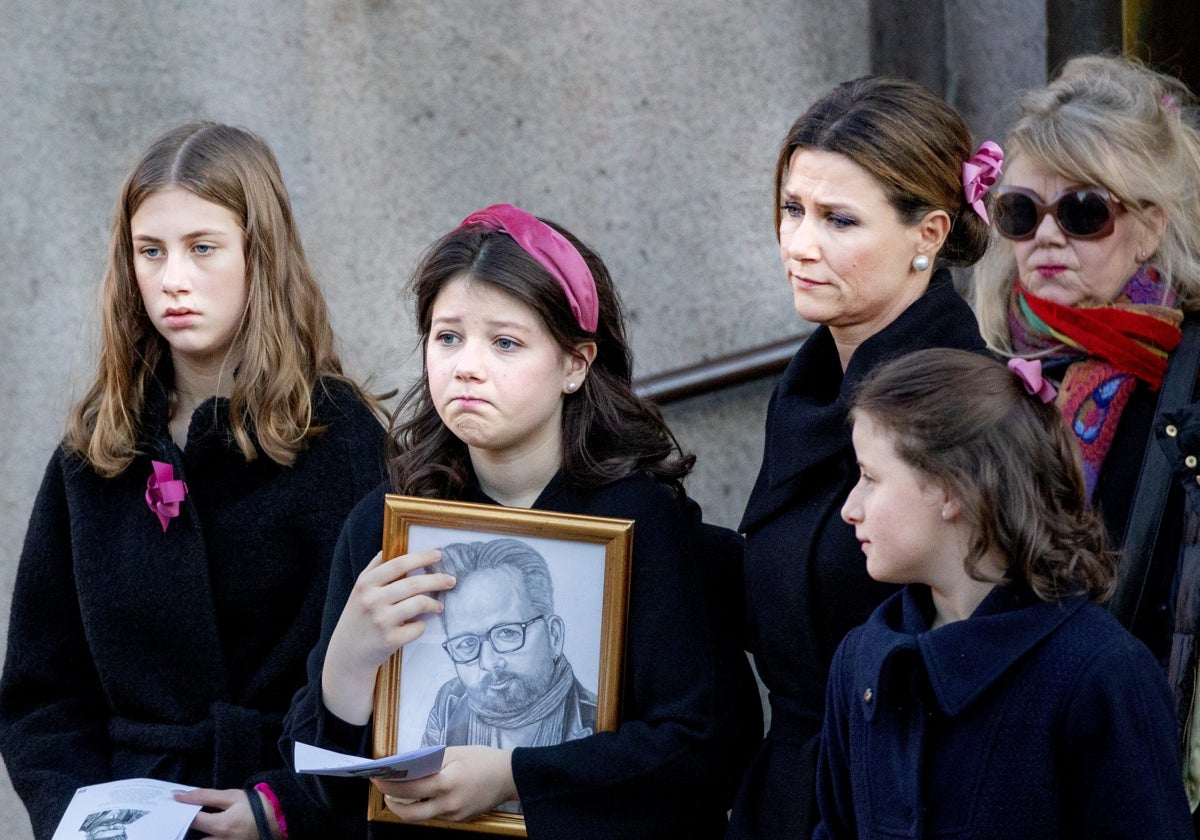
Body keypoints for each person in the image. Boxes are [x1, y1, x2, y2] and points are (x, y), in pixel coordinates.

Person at [281, 203, 758, 839]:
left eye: (505, 342)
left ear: (575, 363)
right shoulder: (385, 525)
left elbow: (704, 747)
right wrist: (345, 669)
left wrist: (515, 774)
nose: (467, 366)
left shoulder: (642, 522)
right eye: (447, 337)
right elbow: (324, 794)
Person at [0, 122, 388, 840]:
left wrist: (282, 805)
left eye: (202, 248)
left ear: (258, 255)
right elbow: (41, 693)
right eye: (150, 251)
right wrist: (80, 816)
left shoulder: (338, 438)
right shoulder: (97, 450)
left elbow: (384, 675)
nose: (172, 277)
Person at [729, 76, 998, 838]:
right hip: (789, 787)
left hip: (902, 800)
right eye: (792, 210)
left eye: (838, 220)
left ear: (930, 234)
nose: (799, 245)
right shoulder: (811, 383)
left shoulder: (962, 404)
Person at [812, 347, 1192, 838]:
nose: (849, 507)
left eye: (870, 476)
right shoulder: (861, 662)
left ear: (952, 488)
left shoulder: (1101, 673)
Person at [971, 55, 1200, 806]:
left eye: (1083, 212)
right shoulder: (984, 368)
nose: (1046, 236)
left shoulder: (1189, 378)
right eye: (1020, 212)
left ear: (1147, 227)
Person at [422, 538, 597, 750]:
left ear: (554, 635)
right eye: (467, 642)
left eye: (507, 633)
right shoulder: (449, 702)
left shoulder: (598, 720)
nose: (489, 662)